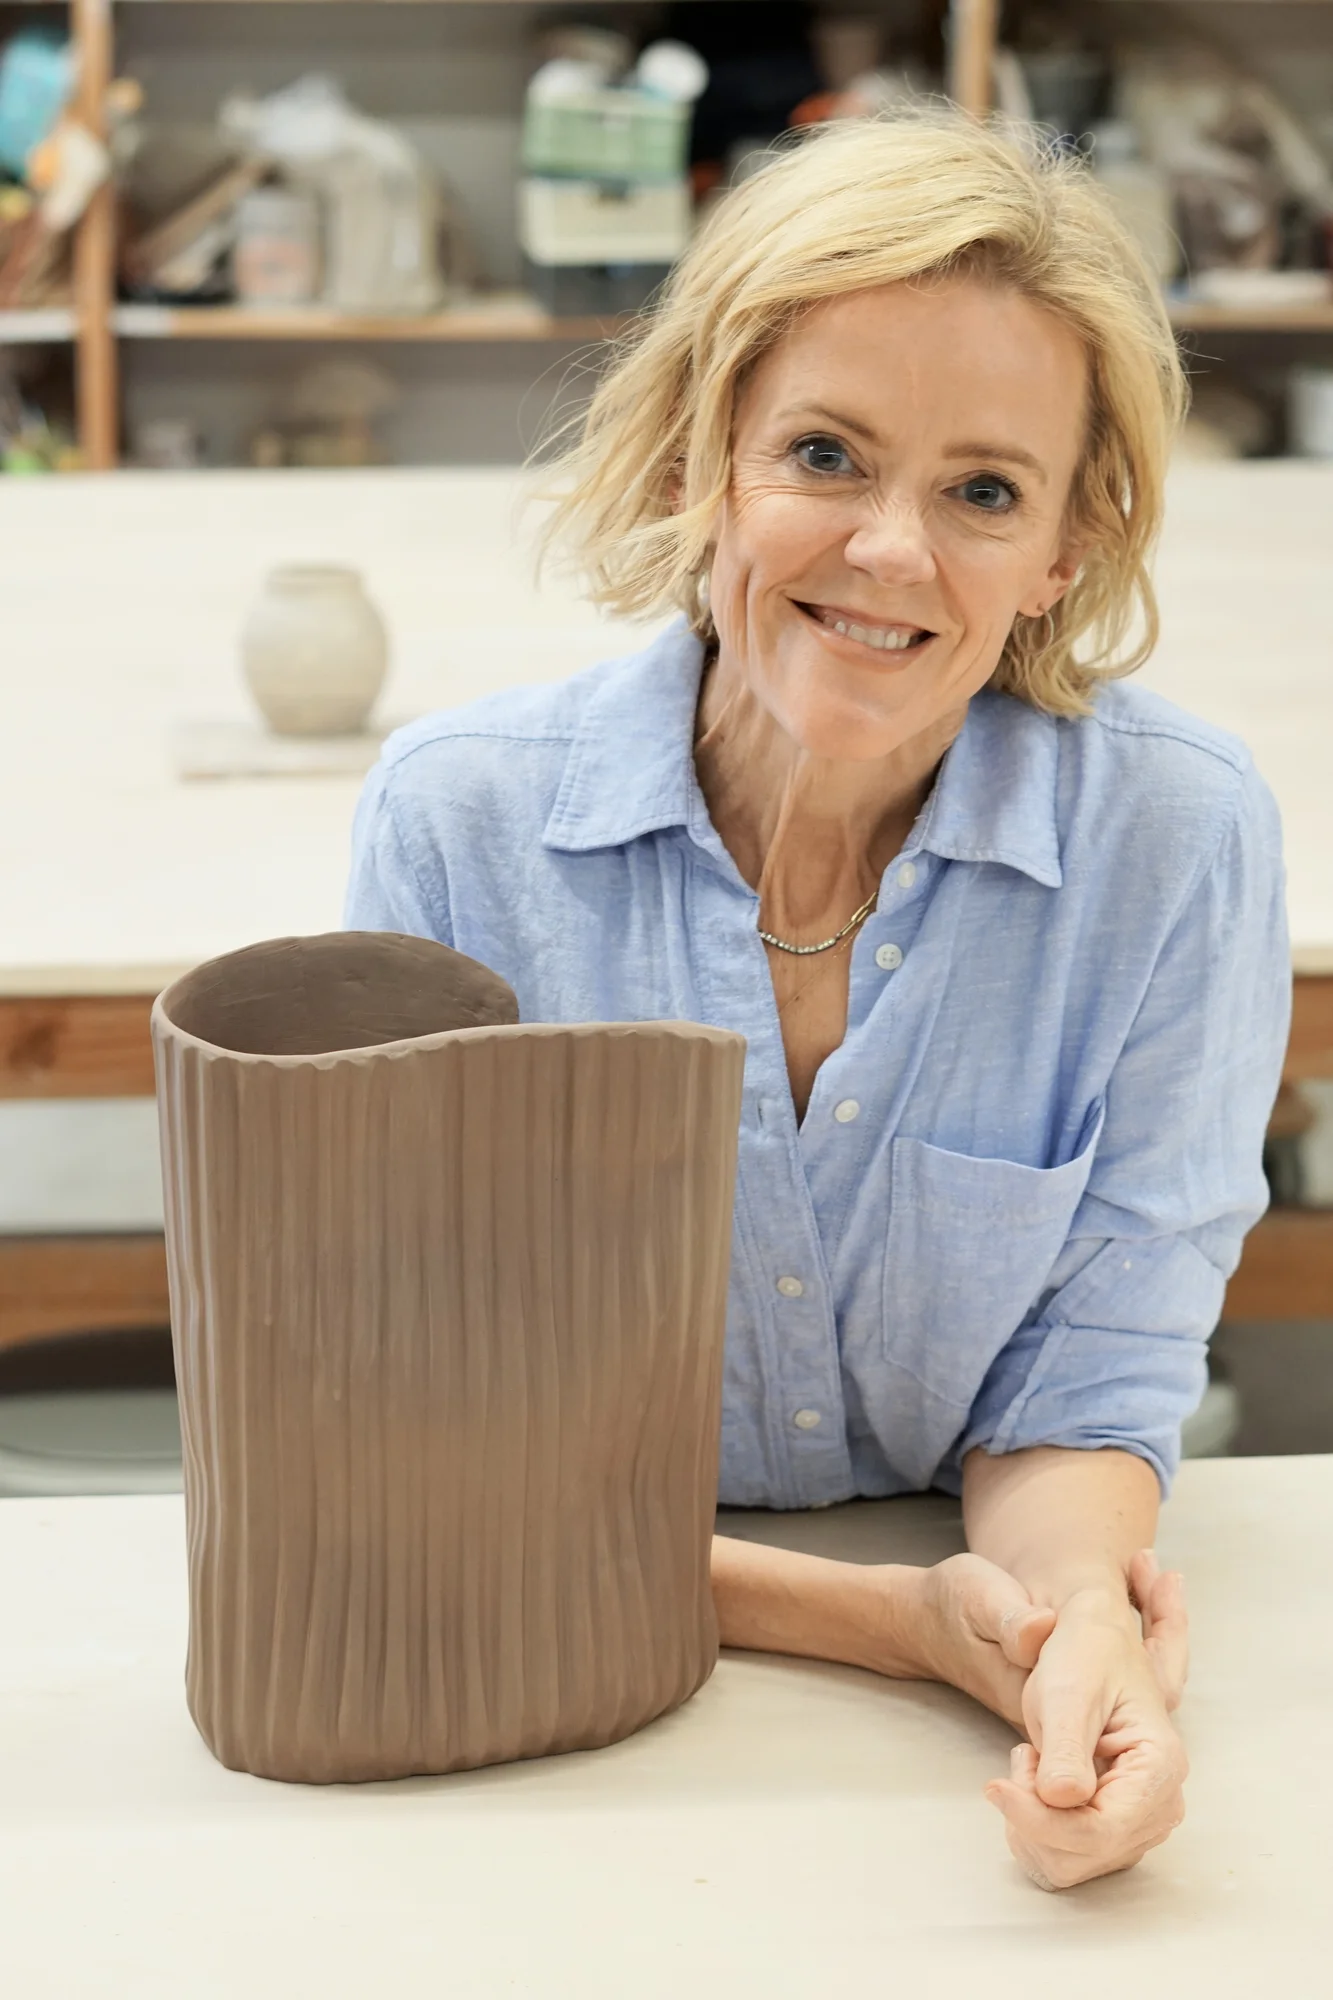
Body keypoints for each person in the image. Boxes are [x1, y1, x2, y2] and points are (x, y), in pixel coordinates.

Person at [346, 109, 1289, 1890]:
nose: (892, 554)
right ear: (709, 457)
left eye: (984, 492)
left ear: (1066, 552)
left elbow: (1092, 1376)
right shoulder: (459, 828)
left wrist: (1075, 1626)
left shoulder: (1180, 841)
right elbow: (418, 1441)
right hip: (536, 1736)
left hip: (891, 1790)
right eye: (827, 455)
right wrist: (893, 1626)